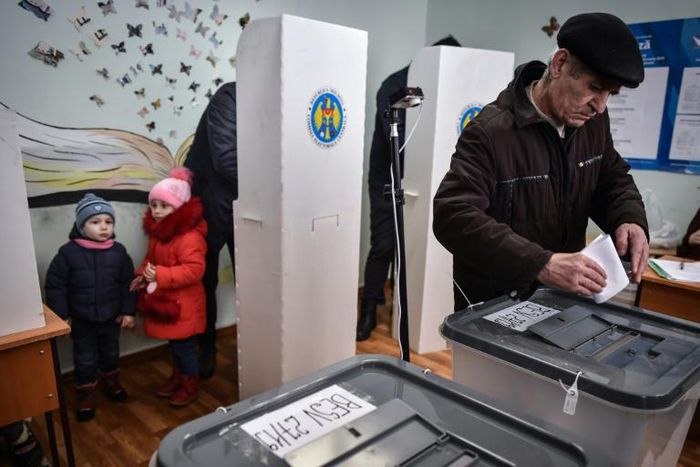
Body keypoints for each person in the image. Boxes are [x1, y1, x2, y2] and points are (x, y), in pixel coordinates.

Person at [433, 12, 649, 310]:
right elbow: (453, 216)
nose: (600, 106)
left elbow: (610, 177)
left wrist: (629, 218)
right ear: (559, 64)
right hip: (495, 305)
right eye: (595, 88)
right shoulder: (491, 132)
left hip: (561, 299)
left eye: (611, 93)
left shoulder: (593, 123)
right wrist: (541, 264)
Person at [357, 36, 461, 341]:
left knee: (414, 248)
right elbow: (399, 140)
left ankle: (402, 308)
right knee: (385, 246)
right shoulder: (395, 86)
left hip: (424, 181)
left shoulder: (444, 85)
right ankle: (368, 310)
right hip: (388, 179)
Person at [45, 193, 135, 422]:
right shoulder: (68, 253)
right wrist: (62, 316)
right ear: (81, 226)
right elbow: (56, 286)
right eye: (95, 222)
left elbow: (128, 284)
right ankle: (85, 394)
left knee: (111, 353)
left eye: (108, 221)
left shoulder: (119, 252)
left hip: (111, 317)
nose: (104, 227)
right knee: (85, 358)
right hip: (82, 320)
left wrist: (127, 311)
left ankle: (112, 383)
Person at [132, 167, 207, 407]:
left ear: (180, 207)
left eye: (164, 206)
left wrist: (161, 275)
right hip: (168, 301)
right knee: (175, 346)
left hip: (184, 304)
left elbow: (195, 270)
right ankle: (178, 377)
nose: (157, 211)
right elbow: (149, 259)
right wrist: (143, 274)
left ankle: (190, 383)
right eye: (154, 205)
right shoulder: (158, 234)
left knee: (184, 347)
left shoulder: (189, 237)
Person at [184, 82, 237, 378]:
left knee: (254, 281)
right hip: (209, 204)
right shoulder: (230, 96)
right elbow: (228, 160)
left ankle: (256, 344)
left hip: (246, 204)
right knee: (205, 282)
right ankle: (206, 347)